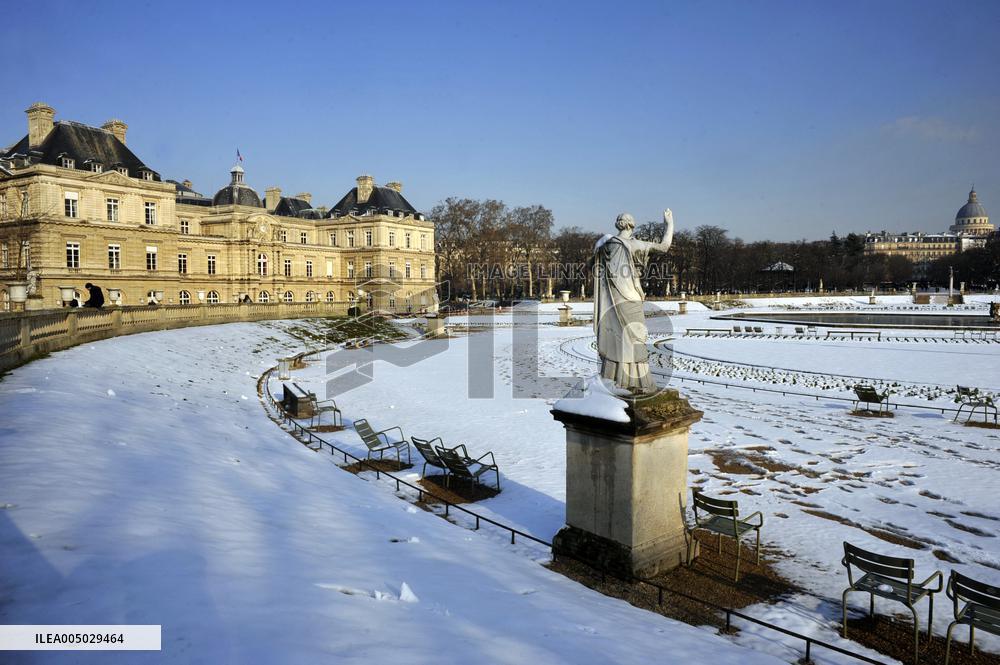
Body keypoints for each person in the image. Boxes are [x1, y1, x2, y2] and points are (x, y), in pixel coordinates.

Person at [593, 210, 674, 393]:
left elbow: (594, 265)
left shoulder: (608, 245)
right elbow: (664, 246)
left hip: (614, 297)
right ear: (631, 224)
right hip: (633, 294)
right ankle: (636, 380)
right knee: (636, 335)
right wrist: (669, 224)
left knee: (618, 334)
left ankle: (614, 378)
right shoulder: (637, 244)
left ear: (619, 224)